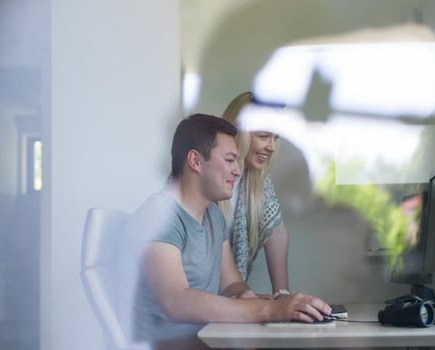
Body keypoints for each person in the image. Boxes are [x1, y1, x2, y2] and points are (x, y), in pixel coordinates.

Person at [123, 114, 331, 348]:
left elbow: (230, 283)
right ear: (196, 161)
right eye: (230, 160)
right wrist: (270, 309)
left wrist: (245, 295)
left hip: (204, 342)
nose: (238, 171)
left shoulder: (212, 214)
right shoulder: (159, 216)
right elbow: (176, 301)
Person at [221, 91, 290, 298]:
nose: (272, 147)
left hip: (229, 305)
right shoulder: (205, 180)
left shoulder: (258, 182)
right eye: (263, 136)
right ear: (237, 132)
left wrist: (283, 298)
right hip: (196, 311)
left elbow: (277, 233)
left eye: (275, 138)